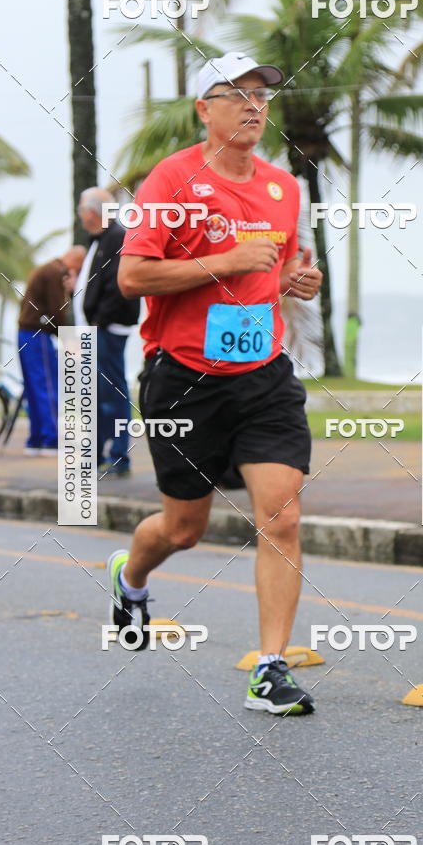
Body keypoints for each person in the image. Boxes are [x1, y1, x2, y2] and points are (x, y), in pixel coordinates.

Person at [108, 51, 323, 716]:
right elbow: (133, 278)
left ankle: (270, 669)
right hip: (184, 381)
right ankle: (131, 576)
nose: (254, 106)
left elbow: (272, 271)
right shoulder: (170, 182)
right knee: (183, 530)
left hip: (263, 375)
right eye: (237, 94)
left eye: (262, 96)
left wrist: (292, 282)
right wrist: (223, 259)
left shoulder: (284, 189)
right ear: (205, 109)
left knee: (281, 514)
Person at [75, 187, 140, 477]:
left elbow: (118, 284)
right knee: (98, 392)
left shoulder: (116, 237)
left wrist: (99, 319)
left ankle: (119, 456)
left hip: (108, 328)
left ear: (91, 211)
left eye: (81, 209)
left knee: (113, 392)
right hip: (98, 328)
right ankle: (101, 452)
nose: (80, 215)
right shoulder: (101, 240)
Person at [18, 246, 85, 455]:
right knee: (47, 386)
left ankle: (36, 439)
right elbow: (58, 310)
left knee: (34, 387)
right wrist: (69, 339)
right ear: (76, 262)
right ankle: (51, 438)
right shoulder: (55, 272)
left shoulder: (45, 269)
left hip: (25, 333)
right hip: (37, 335)